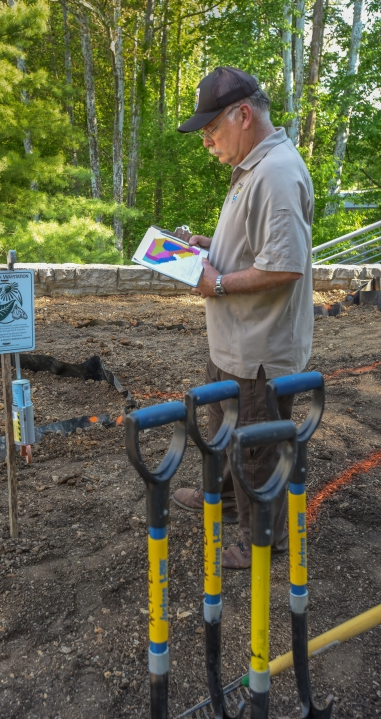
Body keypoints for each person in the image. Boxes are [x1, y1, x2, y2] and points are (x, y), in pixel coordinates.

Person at [172, 66, 314, 570]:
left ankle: (262, 540)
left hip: (258, 352)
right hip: (234, 344)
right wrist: (210, 246)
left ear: (244, 115)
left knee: (256, 447)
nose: (207, 142)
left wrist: (219, 283)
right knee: (227, 431)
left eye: (212, 130)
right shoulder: (255, 166)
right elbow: (258, 244)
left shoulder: (276, 173)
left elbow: (285, 266)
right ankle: (226, 500)